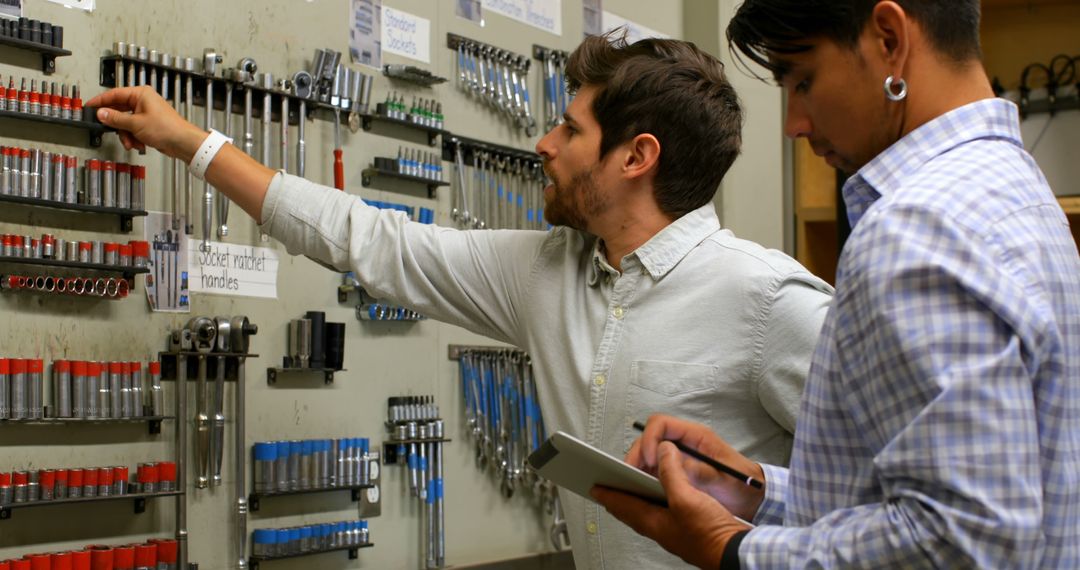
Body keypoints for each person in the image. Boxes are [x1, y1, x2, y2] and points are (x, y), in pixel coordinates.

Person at [88, 31, 833, 569]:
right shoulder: (544, 273)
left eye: (570, 129)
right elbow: (369, 240)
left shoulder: (772, 304)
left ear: (636, 157)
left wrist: (761, 498)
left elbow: (901, 506)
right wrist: (190, 142)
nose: (544, 143)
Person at [593, 1, 1080, 568]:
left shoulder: (918, 228)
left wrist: (734, 549)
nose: (793, 123)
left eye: (804, 80)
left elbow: (963, 540)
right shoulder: (1013, 189)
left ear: (889, 39)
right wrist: (752, 489)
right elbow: (938, 498)